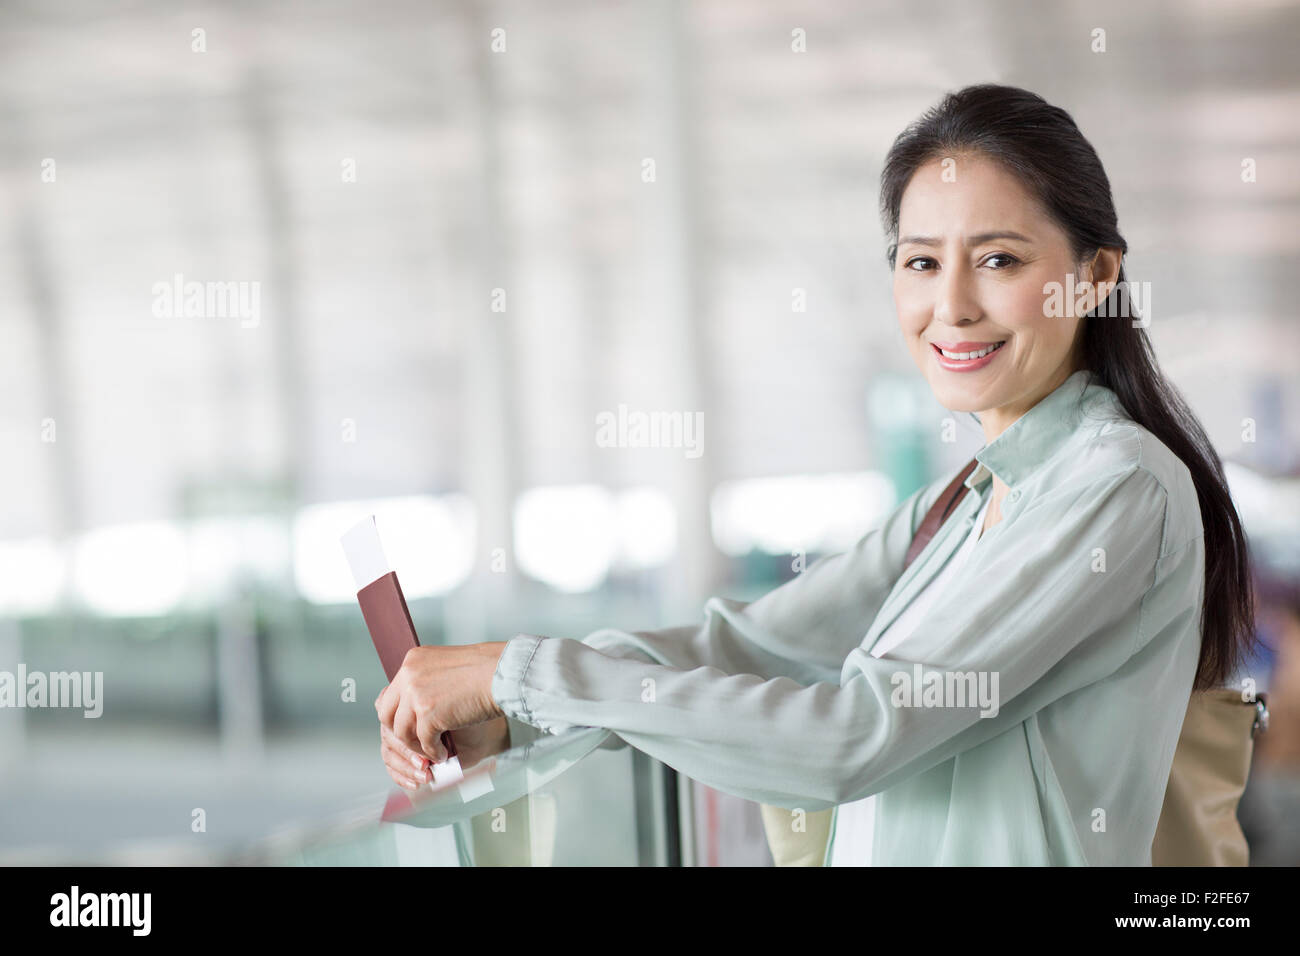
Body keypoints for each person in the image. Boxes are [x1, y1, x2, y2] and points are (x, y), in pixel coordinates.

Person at [374, 84, 1258, 865]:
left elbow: (853, 738)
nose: (949, 305)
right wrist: (504, 702)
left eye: (999, 260)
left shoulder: (1116, 487)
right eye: (921, 261)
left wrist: (523, 672)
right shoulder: (961, 503)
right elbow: (742, 648)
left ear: (1095, 275)